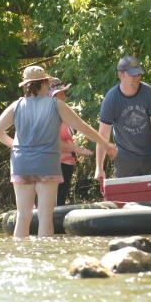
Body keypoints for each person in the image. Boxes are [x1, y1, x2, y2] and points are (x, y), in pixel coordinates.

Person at [0, 66, 117, 239]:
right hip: (46, 163)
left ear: (26, 85)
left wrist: (16, 147)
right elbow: (84, 128)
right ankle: (45, 259)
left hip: (22, 163)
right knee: (44, 217)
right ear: (44, 83)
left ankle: (19, 259)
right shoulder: (55, 105)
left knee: (23, 216)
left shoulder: (16, 105)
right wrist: (107, 144)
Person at [94, 56, 151, 182]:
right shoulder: (111, 100)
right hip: (125, 158)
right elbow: (103, 135)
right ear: (121, 75)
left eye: (138, 74)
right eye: (132, 74)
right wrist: (99, 167)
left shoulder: (150, 94)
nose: (137, 77)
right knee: (124, 201)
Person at [46, 77, 93, 206]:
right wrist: (78, 149)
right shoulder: (50, 115)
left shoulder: (62, 113)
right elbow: (54, 142)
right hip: (55, 164)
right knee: (53, 204)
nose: (64, 96)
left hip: (66, 163)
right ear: (52, 96)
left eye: (64, 92)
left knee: (59, 202)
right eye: (61, 93)